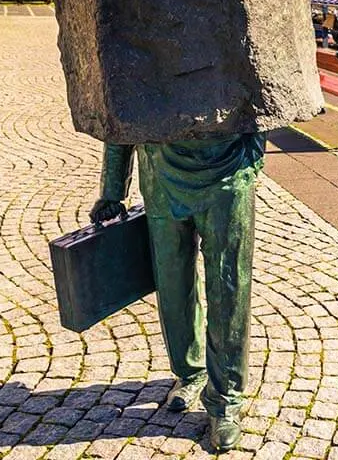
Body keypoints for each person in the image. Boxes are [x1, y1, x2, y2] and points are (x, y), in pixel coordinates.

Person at [90, 135, 266, 452]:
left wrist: (251, 159)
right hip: (160, 173)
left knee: (229, 286)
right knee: (172, 281)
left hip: (228, 171)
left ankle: (225, 397)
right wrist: (112, 189)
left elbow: (268, 90)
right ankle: (189, 371)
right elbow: (122, 101)